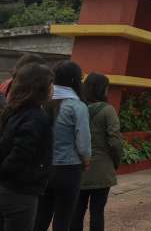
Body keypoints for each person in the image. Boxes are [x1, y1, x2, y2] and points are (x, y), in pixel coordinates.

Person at [35, 61, 92, 231]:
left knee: (40, 216)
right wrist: (87, 160)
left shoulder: (41, 103)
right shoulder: (77, 106)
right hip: (69, 169)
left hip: (43, 167)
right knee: (63, 218)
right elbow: (83, 143)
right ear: (75, 80)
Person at [0, 63, 54, 231]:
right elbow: (21, 154)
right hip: (20, 191)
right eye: (51, 84)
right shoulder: (36, 117)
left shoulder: (14, 110)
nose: (53, 88)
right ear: (40, 88)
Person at [72, 73, 122, 231]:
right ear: (103, 89)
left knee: (76, 211)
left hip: (78, 167)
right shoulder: (108, 110)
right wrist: (116, 162)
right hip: (102, 170)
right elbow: (115, 141)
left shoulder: (76, 108)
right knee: (97, 212)